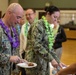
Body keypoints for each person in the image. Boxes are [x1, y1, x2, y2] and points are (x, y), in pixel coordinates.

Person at [25, 5, 65, 75]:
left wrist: (58, 61)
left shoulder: (49, 27)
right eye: (54, 17)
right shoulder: (37, 25)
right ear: (48, 14)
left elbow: (50, 48)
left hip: (44, 62)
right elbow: (37, 45)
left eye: (57, 18)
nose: (56, 20)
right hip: (35, 63)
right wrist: (51, 59)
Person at [0, 3, 24, 75]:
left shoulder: (14, 29)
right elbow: (10, 57)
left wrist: (20, 60)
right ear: (9, 13)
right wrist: (9, 58)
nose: (19, 21)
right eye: (18, 17)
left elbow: (14, 50)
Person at [19, 8, 37, 75]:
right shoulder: (24, 26)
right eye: (26, 15)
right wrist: (20, 53)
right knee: (24, 72)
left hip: (35, 55)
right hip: (25, 53)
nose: (27, 16)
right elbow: (21, 40)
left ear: (35, 14)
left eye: (29, 14)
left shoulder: (39, 26)